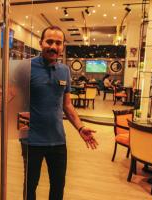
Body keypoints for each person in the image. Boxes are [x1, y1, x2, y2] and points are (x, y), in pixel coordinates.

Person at [22, 26, 98, 200]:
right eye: (49, 41)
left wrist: (80, 128)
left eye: (58, 43)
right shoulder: (26, 67)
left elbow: (67, 105)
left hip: (57, 140)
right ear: (41, 43)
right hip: (31, 141)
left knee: (58, 186)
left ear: (63, 46)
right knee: (30, 186)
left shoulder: (64, 70)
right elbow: (13, 98)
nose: (53, 46)